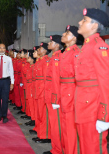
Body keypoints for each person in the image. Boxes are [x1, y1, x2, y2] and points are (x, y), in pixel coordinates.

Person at [75, 8, 109, 154]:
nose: (79, 22)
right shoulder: (86, 46)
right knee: (85, 147)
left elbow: (105, 82)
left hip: (93, 109)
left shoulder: (98, 46)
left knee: (93, 148)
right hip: (83, 107)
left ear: (94, 26)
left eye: (84, 20)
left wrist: (104, 115)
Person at [59, 25, 80, 154]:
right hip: (64, 91)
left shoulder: (76, 52)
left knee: (70, 128)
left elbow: (79, 77)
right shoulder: (66, 52)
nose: (64, 34)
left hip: (71, 92)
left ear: (73, 38)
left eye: (67, 33)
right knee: (65, 127)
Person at [43, 35, 64, 154]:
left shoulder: (58, 57)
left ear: (57, 45)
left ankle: (58, 149)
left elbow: (56, 80)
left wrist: (55, 99)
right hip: (50, 95)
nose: (49, 43)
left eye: (51, 42)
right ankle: (55, 148)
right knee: (53, 124)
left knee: (57, 126)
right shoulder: (53, 57)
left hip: (55, 97)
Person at [34, 43, 51, 143]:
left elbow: (46, 79)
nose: (38, 50)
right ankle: (40, 134)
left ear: (45, 51)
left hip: (43, 91)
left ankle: (45, 136)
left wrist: (45, 92)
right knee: (39, 114)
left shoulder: (46, 61)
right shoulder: (39, 61)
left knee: (44, 115)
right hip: (38, 90)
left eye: (40, 48)